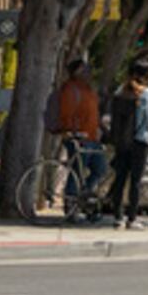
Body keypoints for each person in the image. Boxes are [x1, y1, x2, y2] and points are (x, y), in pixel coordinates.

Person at [106, 63, 148, 229]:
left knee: (120, 178)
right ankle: (132, 218)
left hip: (122, 142)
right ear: (147, 75)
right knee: (135, 182)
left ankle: (118, 217)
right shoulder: (147, 94)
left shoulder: (120, 91)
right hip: (140, 141)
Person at [47, 63, 104, 217]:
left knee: (100, 169)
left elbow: (94, 113)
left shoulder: (89, 90)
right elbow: (66, 114)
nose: (88, 73)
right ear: (76, 72)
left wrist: (101, 128)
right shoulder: (70, 89)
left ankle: (85, 196)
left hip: (92, 137)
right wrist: (72, 131)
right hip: (78, 137)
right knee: (77, 172)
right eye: (84, 70)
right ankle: (71, 206)